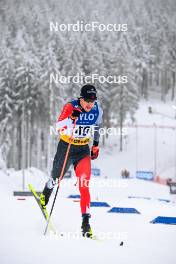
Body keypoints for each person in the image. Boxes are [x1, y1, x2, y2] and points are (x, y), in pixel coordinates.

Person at [40, 84, 103, 238]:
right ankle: (46, 193)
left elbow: (96, 127)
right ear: (81, 99)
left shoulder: (97, 110)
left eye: (92, 101)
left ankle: (85, 223)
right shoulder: (70, 107)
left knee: (84, 185)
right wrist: (71, 118)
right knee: (56, 178)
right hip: (66, 147)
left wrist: (95, 145)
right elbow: (59, 128)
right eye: (87, 100)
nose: (89, 104)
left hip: (83, 150)